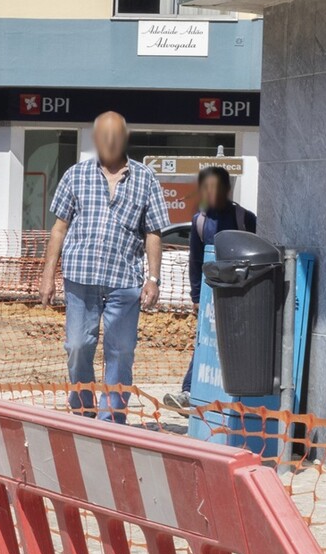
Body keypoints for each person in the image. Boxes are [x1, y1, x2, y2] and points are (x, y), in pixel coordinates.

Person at [40, 111, 164, 421]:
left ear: (125, 139)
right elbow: (59, 228)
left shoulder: (145, 178)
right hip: (81, 278)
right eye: (104, 136)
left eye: (115, 136)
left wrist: (153, 278)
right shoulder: (75, 175)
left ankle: (111, 422)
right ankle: (83, 408)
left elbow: (153, 231)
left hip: (125, 281)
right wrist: (47, 275)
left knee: (120, 353)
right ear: (96, 139)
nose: (109, 142)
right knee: (78, 346)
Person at [175, 164, 256, 403]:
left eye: (216, 187)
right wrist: (197, 297)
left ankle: (236, 391)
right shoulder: (199, 221)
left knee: (236, 340)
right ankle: (189, 390)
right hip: (211, 294)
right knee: (206, 340)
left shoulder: (245, 218)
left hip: (241, 292)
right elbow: (196, 261)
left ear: (227, 189)